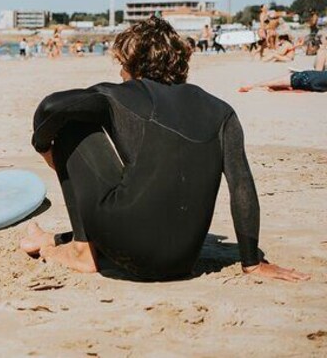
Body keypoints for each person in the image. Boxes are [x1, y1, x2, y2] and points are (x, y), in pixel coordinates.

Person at [19, 16, 309, 282]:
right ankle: (57, 239)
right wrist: (252, 262)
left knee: (71, 123)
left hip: (127, 249)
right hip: (181, 261)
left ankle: (81, 251)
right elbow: (242, 185)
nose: (120, 73)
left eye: (122, 63)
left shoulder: (121, 94)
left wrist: (44, 149)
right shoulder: (222, 111)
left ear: (133, 63)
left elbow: (50, 106)